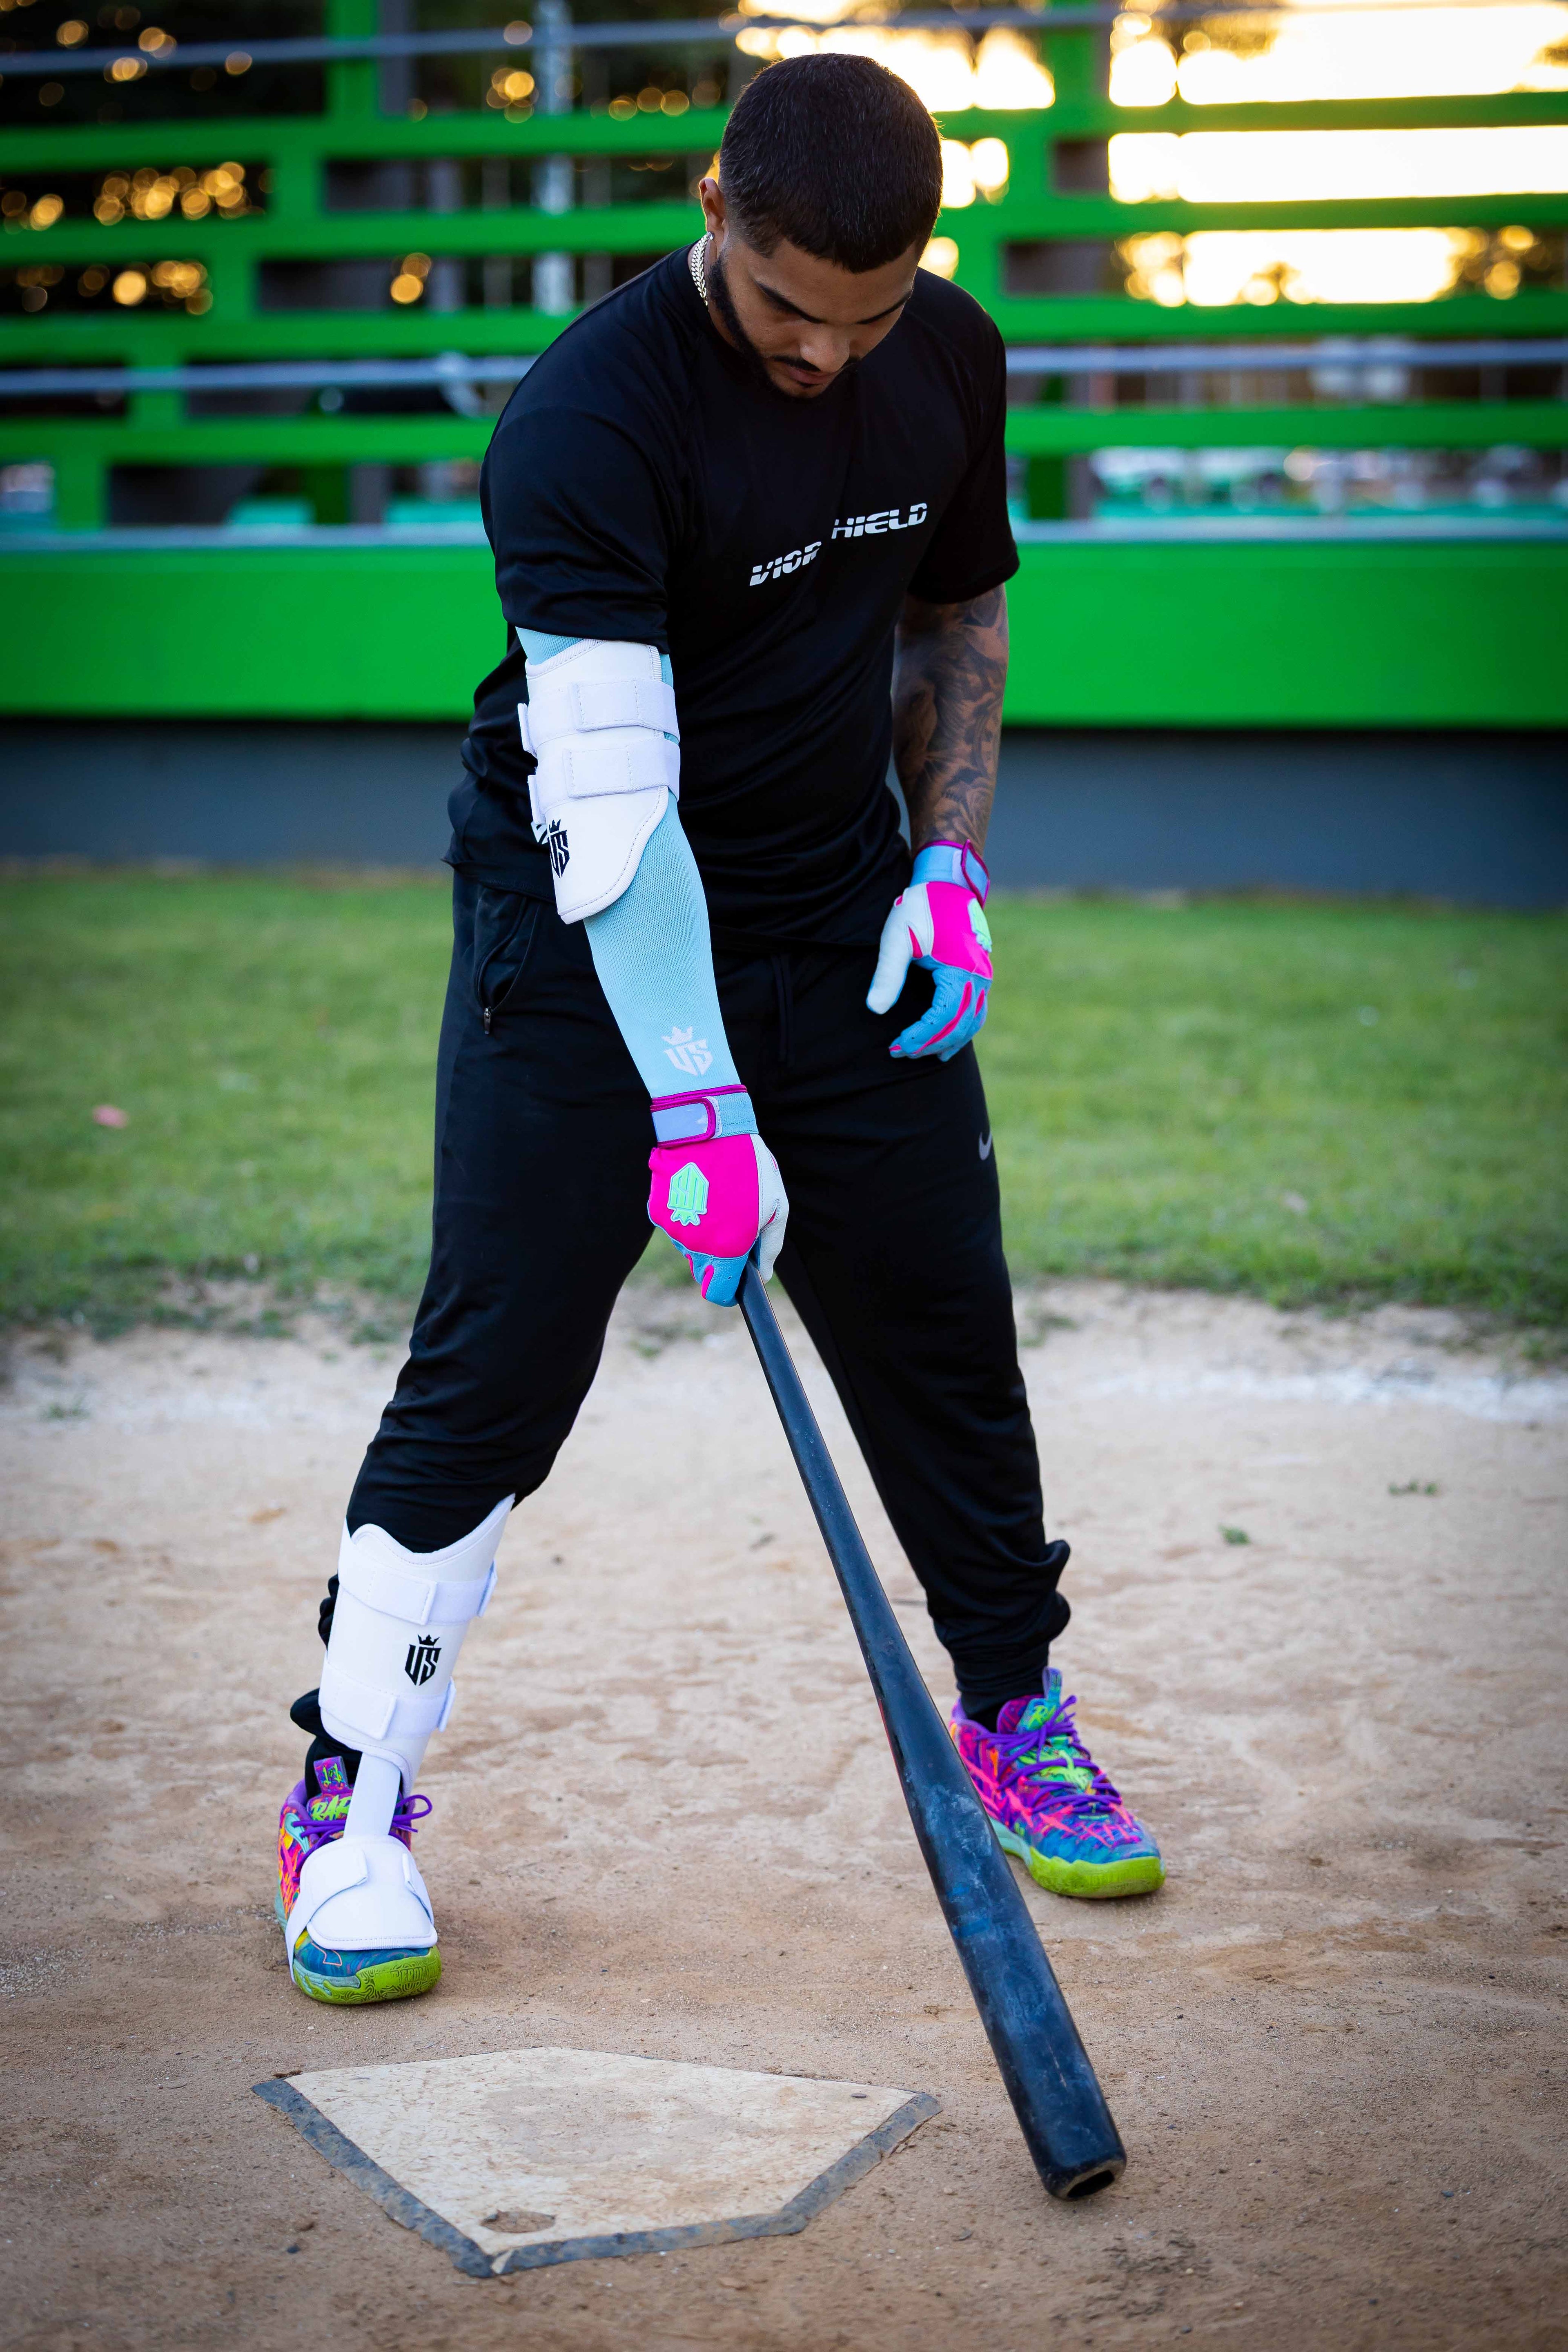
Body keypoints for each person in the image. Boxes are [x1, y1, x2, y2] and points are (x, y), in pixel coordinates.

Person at [275, 53, 1163, 2008]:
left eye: (867, 317)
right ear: (712, 210)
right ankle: (352, 1796)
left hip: (836, 903)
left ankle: (1015, 1711)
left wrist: (950, 864)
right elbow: (617, 809)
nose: (825, 357)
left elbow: (956, 619)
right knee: (498, 1361)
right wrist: (694, 1096)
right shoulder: (587, 421)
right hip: (578, 919)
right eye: (785, 308)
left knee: (940, 1318)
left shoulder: (949, 355)